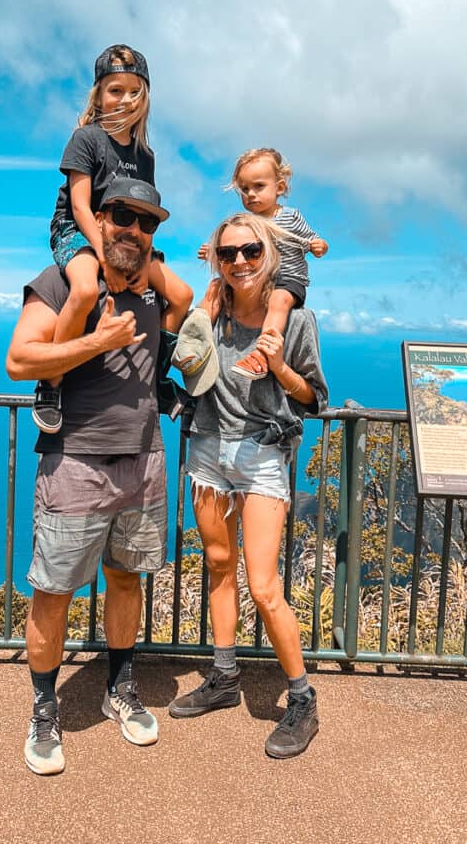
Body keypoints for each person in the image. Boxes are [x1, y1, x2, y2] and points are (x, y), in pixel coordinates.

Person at [6, 177, 190, 776]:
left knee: (127, 581)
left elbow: (186, 301)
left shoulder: (151, 292)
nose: (132, 229)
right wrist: (96, 340)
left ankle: (119, 686)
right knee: (53, 593)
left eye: (147, 222)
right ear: (98, 218)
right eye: (122, 216)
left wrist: (160, 278)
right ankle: (43, 708)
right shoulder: (60, 282)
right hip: (75, 464)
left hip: (143, 461)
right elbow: (19, 360)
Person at [169, 212, 328, 759]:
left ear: (270, 254)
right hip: (207, 450)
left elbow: (313, 396)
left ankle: (302, 699)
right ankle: (224, 675)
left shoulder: (296, 322)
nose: (239, 261)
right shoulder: (210, 313)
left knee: (263, 585)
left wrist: (279, 366)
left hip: (262, 455)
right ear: (216, 256)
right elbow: (185, 365)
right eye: (229, 252)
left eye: (250, 252)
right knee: (217, 563)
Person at [33, 43, 192, 433]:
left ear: (145, 98)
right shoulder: (86, 139)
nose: (124, 99)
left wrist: (144, 261)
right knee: (86, 289)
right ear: (99, 94)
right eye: (115, 90)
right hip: (77, 230)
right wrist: (105, 259)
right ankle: (51, 385)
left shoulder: (145, 155)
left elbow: (146, 214)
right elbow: (81, 206)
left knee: (182, 295)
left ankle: (156, 377)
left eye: (134, 91)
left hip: (127, 237)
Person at [197, 147, 328, 379]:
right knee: (217, 286)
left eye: (259, 186)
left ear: (279, 187)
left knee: (278, 302)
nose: (251, 194)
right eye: (244, 189)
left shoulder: (290, 217)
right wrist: (213, 251)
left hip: (288, 280)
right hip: (259, 281)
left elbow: (311, 239)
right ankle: (197, 338)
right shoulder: (247, 223)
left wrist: (319, 246)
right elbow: (237, 249)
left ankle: (262, 354)